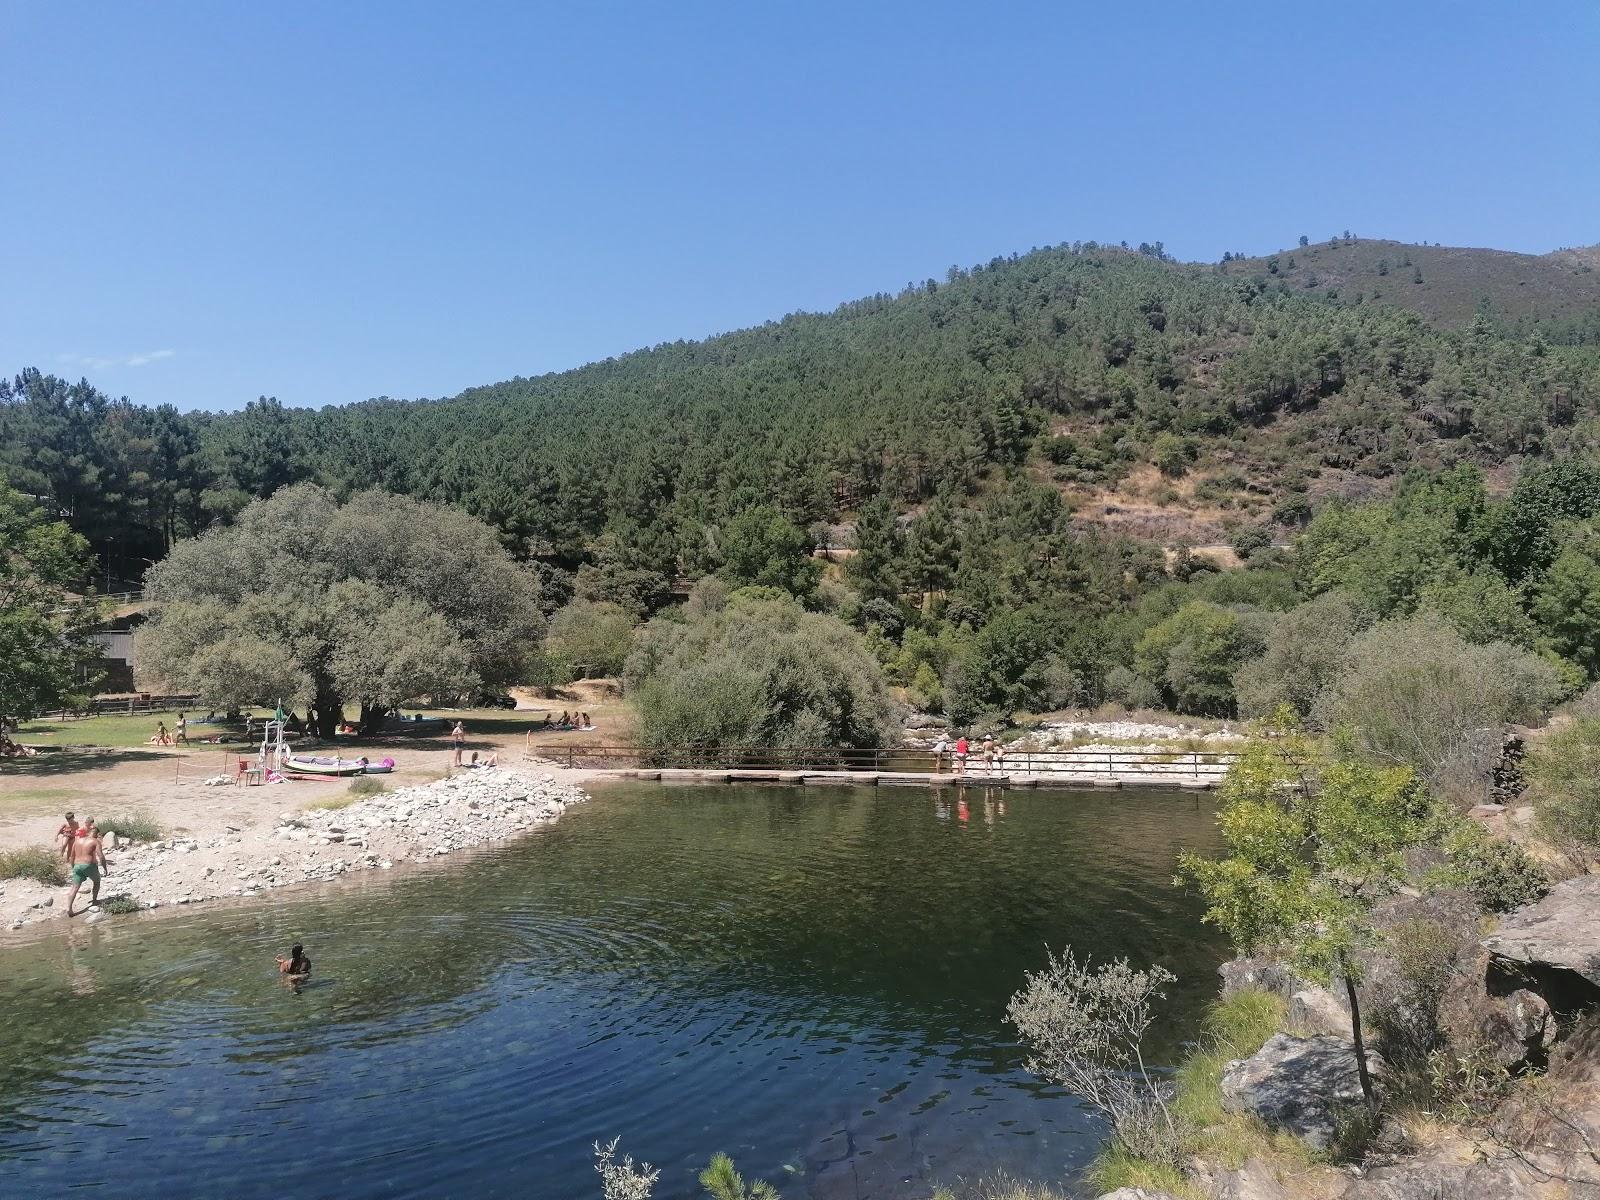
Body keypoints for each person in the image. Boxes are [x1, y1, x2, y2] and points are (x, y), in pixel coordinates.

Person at [65, 822, 108, 916]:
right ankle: (94, 900)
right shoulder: (95, 841)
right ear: (97, 834)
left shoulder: (77, 841)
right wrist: (105, 868)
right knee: (97, 881)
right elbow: (101, 856)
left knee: (75, 887)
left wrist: (73, 868)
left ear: (88, 832)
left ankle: (69, 908)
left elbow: (71, 857)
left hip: (77, 865)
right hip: (89, 865)